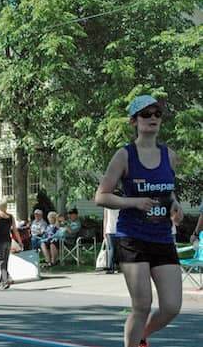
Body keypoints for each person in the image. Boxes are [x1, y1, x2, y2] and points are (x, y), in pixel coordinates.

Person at [95, 95, 183, 347]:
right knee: (142, 304)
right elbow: (101, 196)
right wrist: (133, 202)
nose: (152, 118)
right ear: (134, 121)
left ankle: (140, 336)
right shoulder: (124, 156)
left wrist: (175, 205)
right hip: (132, 237)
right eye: (146, 114)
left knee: (171, 307)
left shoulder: (170, 155)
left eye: (157, 114)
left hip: (163, 237)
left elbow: (167, 191)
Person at [0, 202, 23, 289]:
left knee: (0, 262)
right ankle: (2, 282)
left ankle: (6, 280)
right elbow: (15, 230)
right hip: (8, 240)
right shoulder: (10, 216)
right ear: (6, 206)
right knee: (5, 261)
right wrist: (20, 242)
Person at [104, 207, 120, 274]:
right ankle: (118, 267)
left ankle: (110, 267)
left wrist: (104, 231)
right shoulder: (120, 203)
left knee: (111, 249)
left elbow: (105, 218)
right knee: (119, 249)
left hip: (109, 230)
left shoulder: (107, 205)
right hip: (119, 229)